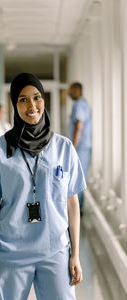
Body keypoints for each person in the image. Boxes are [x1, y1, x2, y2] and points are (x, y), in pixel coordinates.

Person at [0, 73, 87, 300]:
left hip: (55, 251)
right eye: (23, 100)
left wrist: (75, 254)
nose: (31, 106)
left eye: (36, 97)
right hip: (10, 253)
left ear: (44, 100)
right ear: (14, 104)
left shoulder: (64, 148)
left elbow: (72, 204)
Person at [68, 82, 92, 217]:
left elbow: (79, 125)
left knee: (77, 178)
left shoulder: (80, 104)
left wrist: (73, 146)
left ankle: (77, 210)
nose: (69, 93)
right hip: (83, 147)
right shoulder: (81, 104)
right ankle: (77, 209)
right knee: (77, 177)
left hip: (80, 147)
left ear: (77, 90)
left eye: (71, 91)